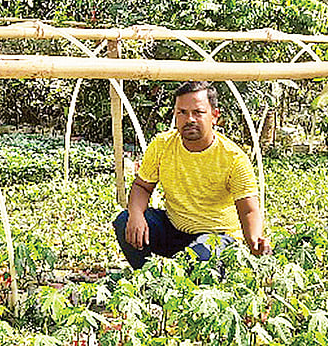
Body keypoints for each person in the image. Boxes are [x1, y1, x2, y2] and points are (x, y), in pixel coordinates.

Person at [112, 81, 271, 270]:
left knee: (200, 260)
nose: (190, 119)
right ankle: (150, 281)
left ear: (214, 116)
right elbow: (142, 186)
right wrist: (136, 214)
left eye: (198, 112)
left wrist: (255, 241)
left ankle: (186, 280)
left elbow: (248, 209)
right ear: (175, 115)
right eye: (182, 112)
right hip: (174, 229)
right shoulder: (162, 145)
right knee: (124, 222)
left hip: (217, 237)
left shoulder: (233, 158)